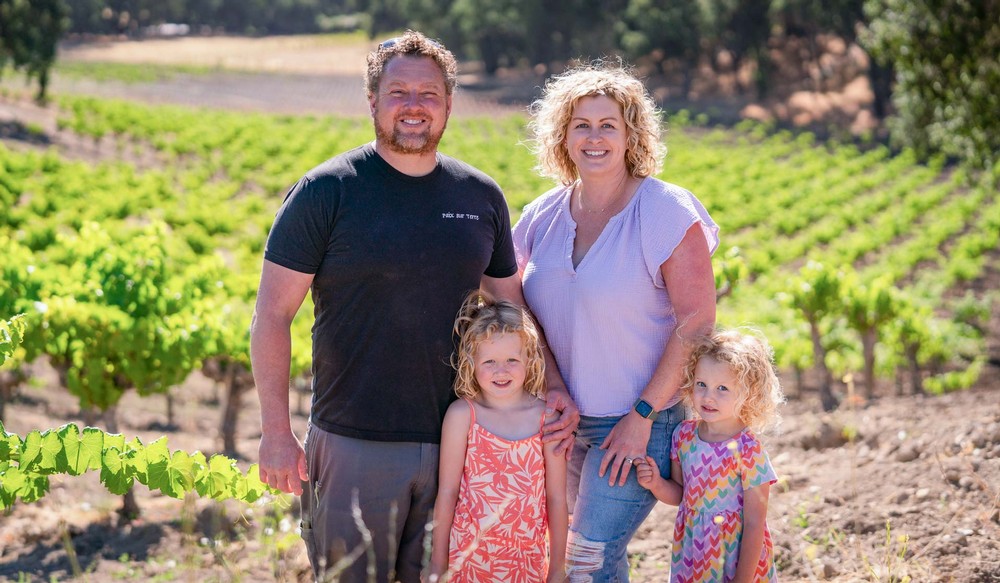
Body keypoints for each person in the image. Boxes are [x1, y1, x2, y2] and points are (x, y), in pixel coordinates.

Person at [249, 31, 577, 583]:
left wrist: (556, 387)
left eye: (428, 94)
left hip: (463, 441)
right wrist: (276, 431)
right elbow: (271, 317)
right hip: (356, 441)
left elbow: (512, 308)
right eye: (398, 91)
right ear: (372, 100)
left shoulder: (479, 196)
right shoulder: (326, 192)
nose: (413, 106)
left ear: (449, 104)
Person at [512, 60, 719, 580]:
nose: (595, 137)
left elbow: (696, 321)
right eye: (581, 125)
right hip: (565, 422)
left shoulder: (664, 210)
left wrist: (642, 417)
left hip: (641, 421)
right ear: (563, 137)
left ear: (632, 135)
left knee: (585, 555)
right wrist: (551, 386)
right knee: (591, 557)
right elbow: (513, 305)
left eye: (609, 125)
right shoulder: (542, 215)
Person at [428, 291, 568, 582]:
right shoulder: (462, 415)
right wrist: (438, 564)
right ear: (471, 363)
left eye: (511, 360)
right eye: (489, 361)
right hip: (467, 562)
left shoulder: (547, 417)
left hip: (526, 562)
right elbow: (448, 492)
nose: (500, 371)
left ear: (529, 358)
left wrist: (557, 568)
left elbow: (555, 498)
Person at [636, 328, 784, 582]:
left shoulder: (749, 450)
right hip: (694, 553)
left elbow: (755, 524)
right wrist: (656, 484)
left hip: (736, 558)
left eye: (722, 388)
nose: (708, 396)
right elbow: (680, 495)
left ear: (748, 394)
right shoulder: (683, 436)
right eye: (701, 384)